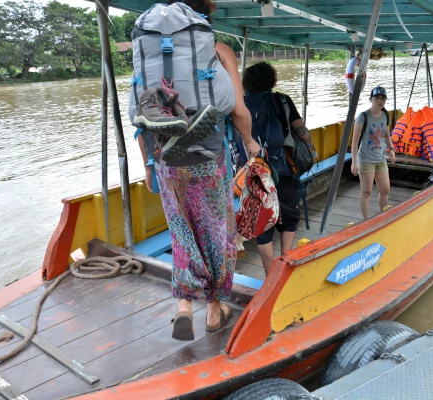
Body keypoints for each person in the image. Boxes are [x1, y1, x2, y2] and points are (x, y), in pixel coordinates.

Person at [134, 0, 260, 341]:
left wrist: (148, 163)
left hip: (165, 159)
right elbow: (237, 110)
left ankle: (183, 307)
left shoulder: (151, 50)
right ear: (207, 12)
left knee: (181, 230)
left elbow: (142, 111)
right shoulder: (219, 50)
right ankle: (214, 312)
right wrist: (250, 143)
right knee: (217, 234)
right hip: (208, 158)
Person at [241, 62, 316, 276]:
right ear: (272, 80)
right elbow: (301, 132)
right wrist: (308, 145)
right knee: (289, 218)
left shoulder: (240, 105)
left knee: (263, 226)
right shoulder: (281, 100)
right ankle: (286, 267)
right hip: (282, 170)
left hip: (253, 173)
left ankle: (269, 277)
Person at [351, 86, 396, 220]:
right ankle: (366, 220)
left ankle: (383, 216)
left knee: (385, 190)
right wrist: (354, 162)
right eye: (377, 98)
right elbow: (354, 141)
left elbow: (387, 135)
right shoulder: (363, 117)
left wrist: (391, 149)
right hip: (365, 159)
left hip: (380, 158)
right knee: (366, 192)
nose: (380, 101)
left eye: (383, 99)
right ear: (371, 99)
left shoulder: (385, 115)